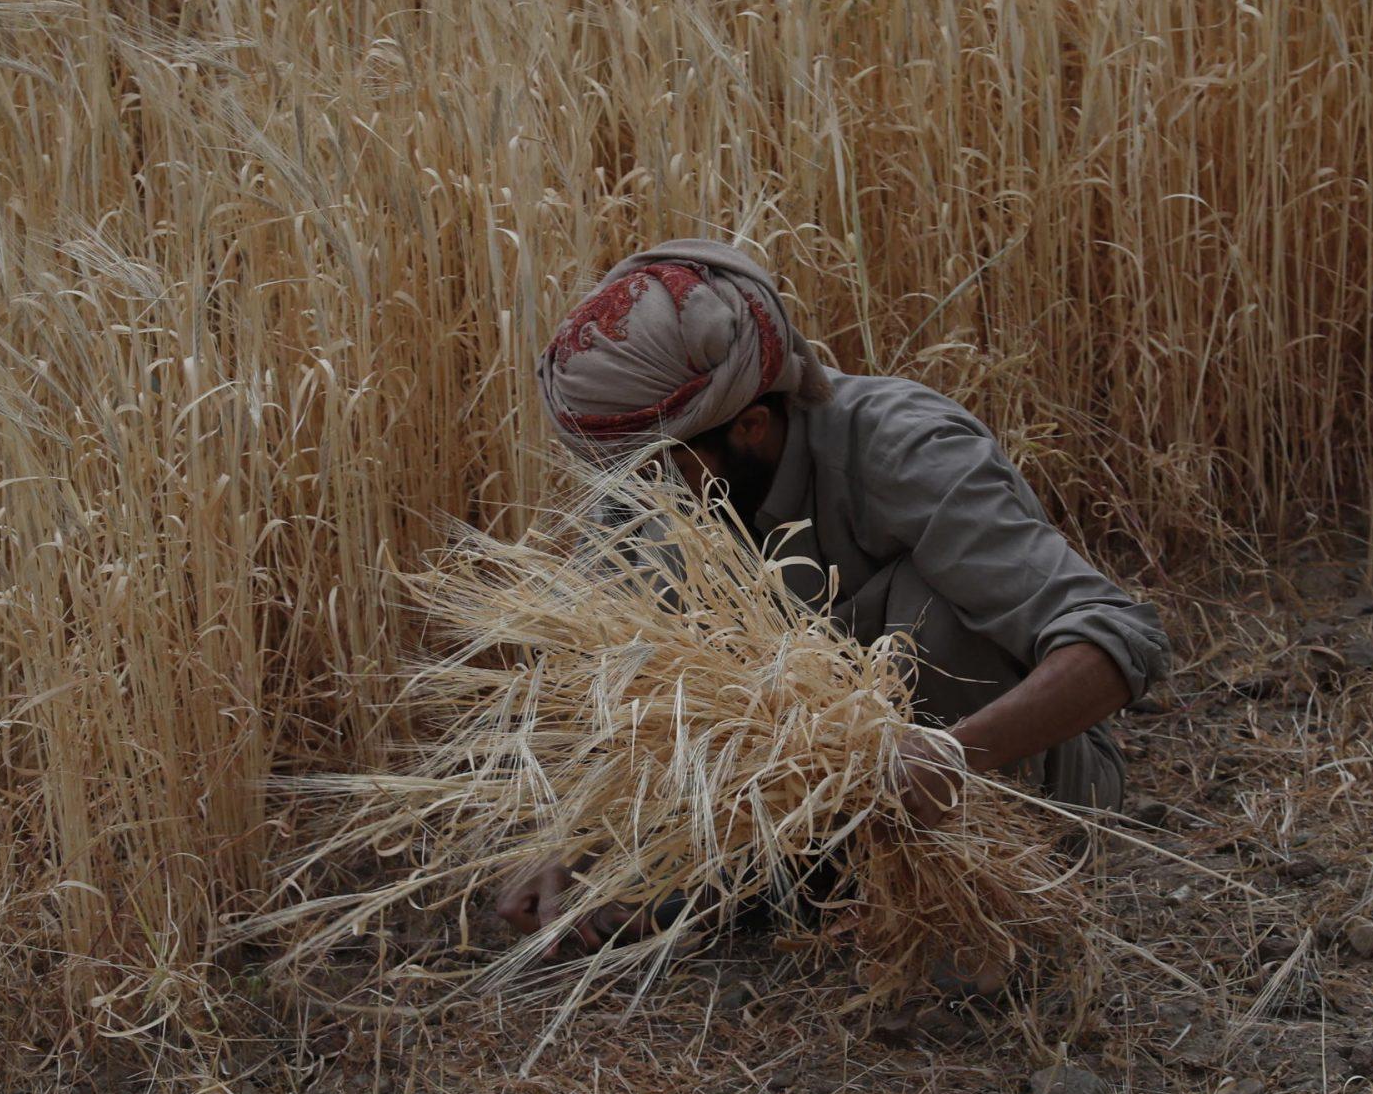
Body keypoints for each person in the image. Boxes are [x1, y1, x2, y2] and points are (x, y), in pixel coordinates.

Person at [496, 238, 1171, 945]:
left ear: (751, 425)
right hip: (809, 814)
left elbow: (1117, 639)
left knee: (930, 613)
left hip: (1001, 794)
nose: (639, 493)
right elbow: (616, 695)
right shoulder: (650, 488)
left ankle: (833, 891)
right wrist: (567, 841)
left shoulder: (904, 446)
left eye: (655, 468)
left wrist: (950, 755)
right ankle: (793, 886)